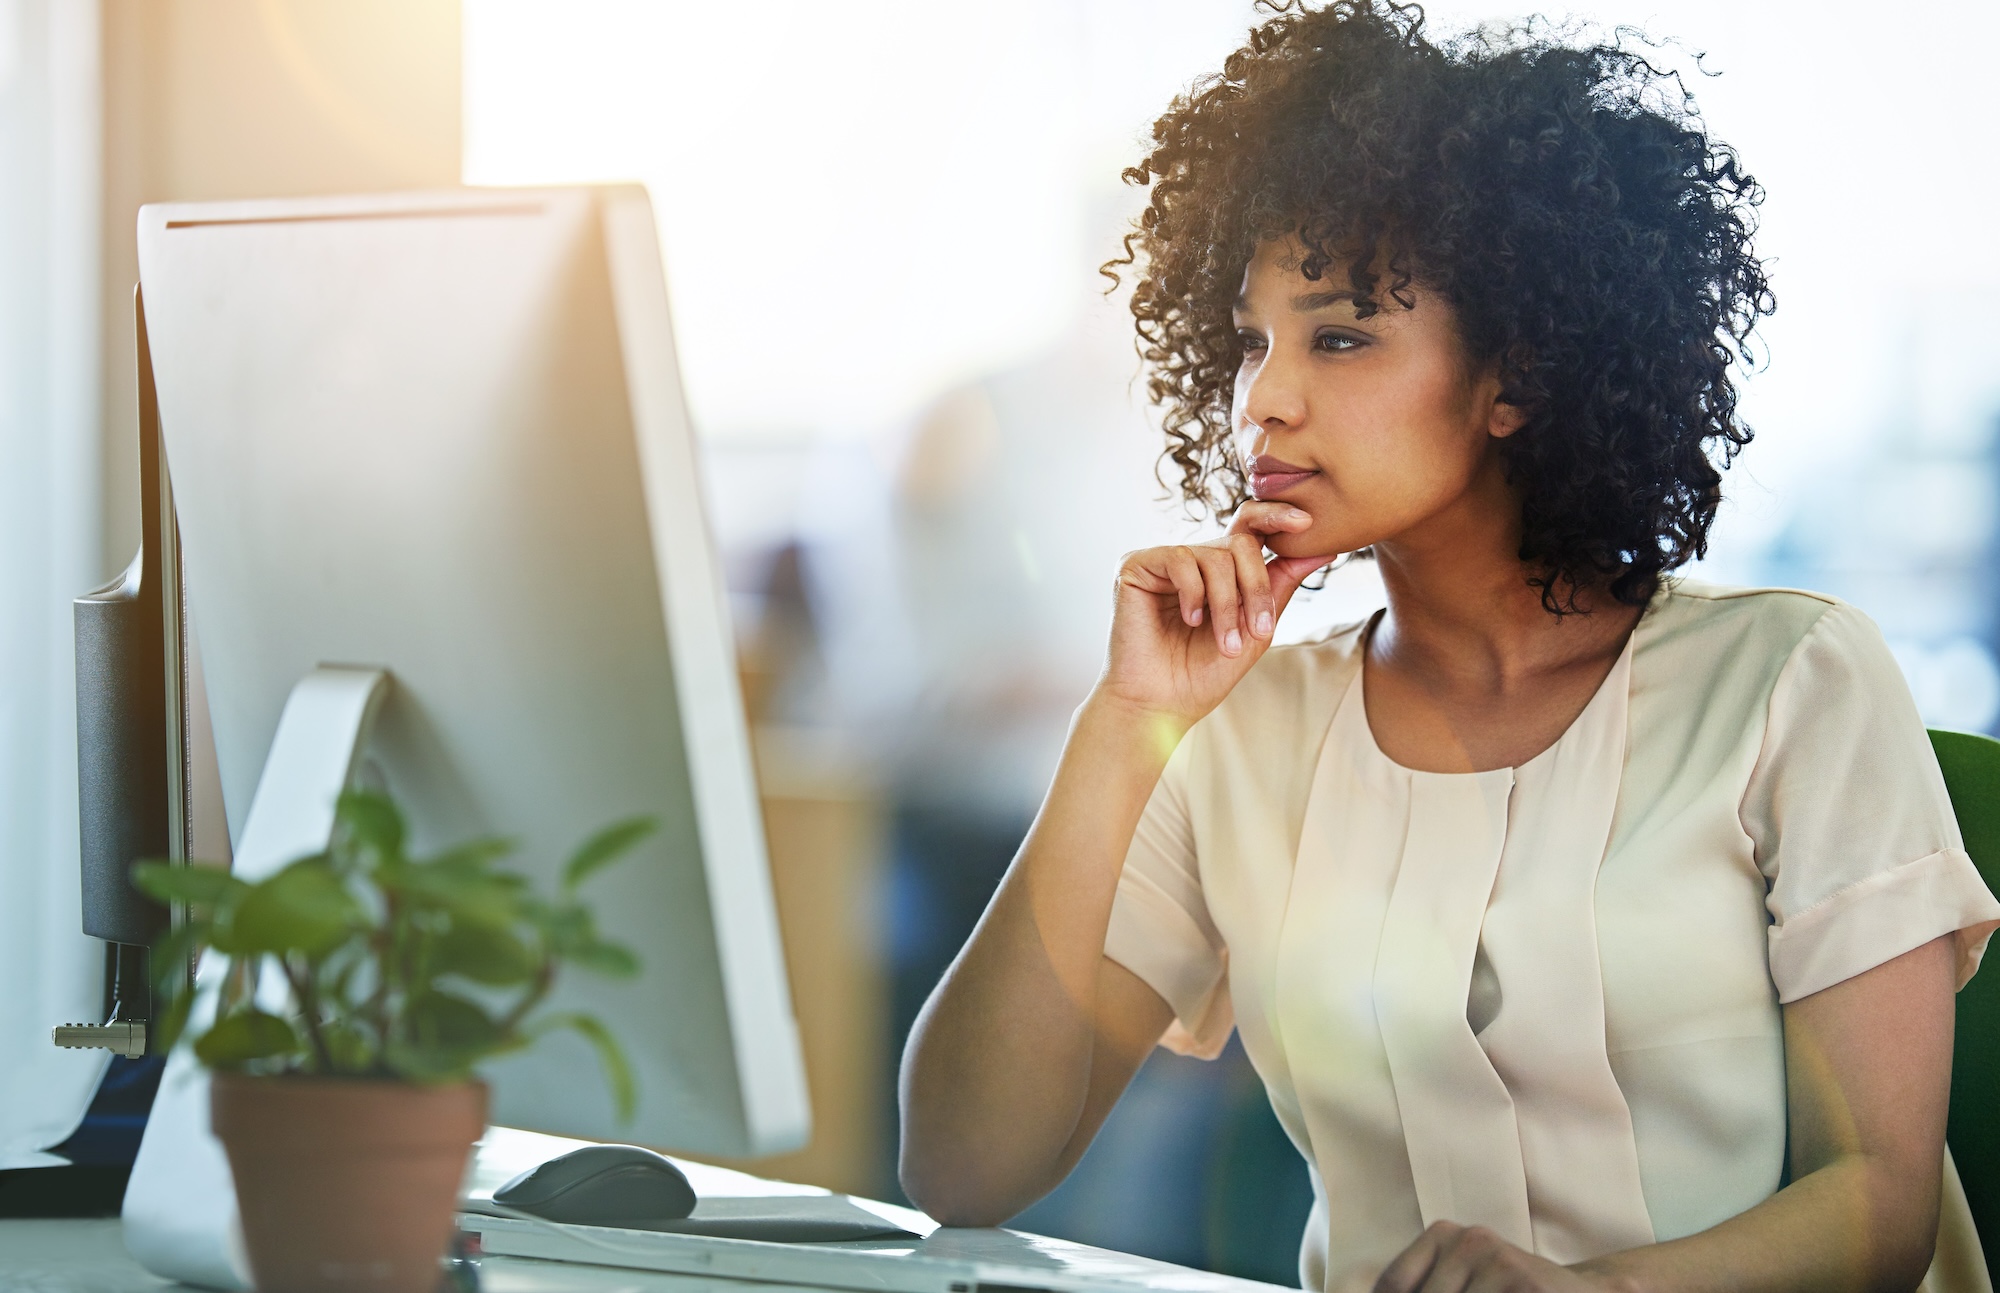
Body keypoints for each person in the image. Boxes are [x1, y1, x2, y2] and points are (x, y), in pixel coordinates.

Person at [896, 3, 2000, 1291]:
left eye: (1341, 334)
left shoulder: (1789, 684)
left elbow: (1879, 1207)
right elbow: (965, 1166)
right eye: (1253, 339)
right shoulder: (1242, 736)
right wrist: (1119, 722)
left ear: (1515, 375)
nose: (1265, 396)